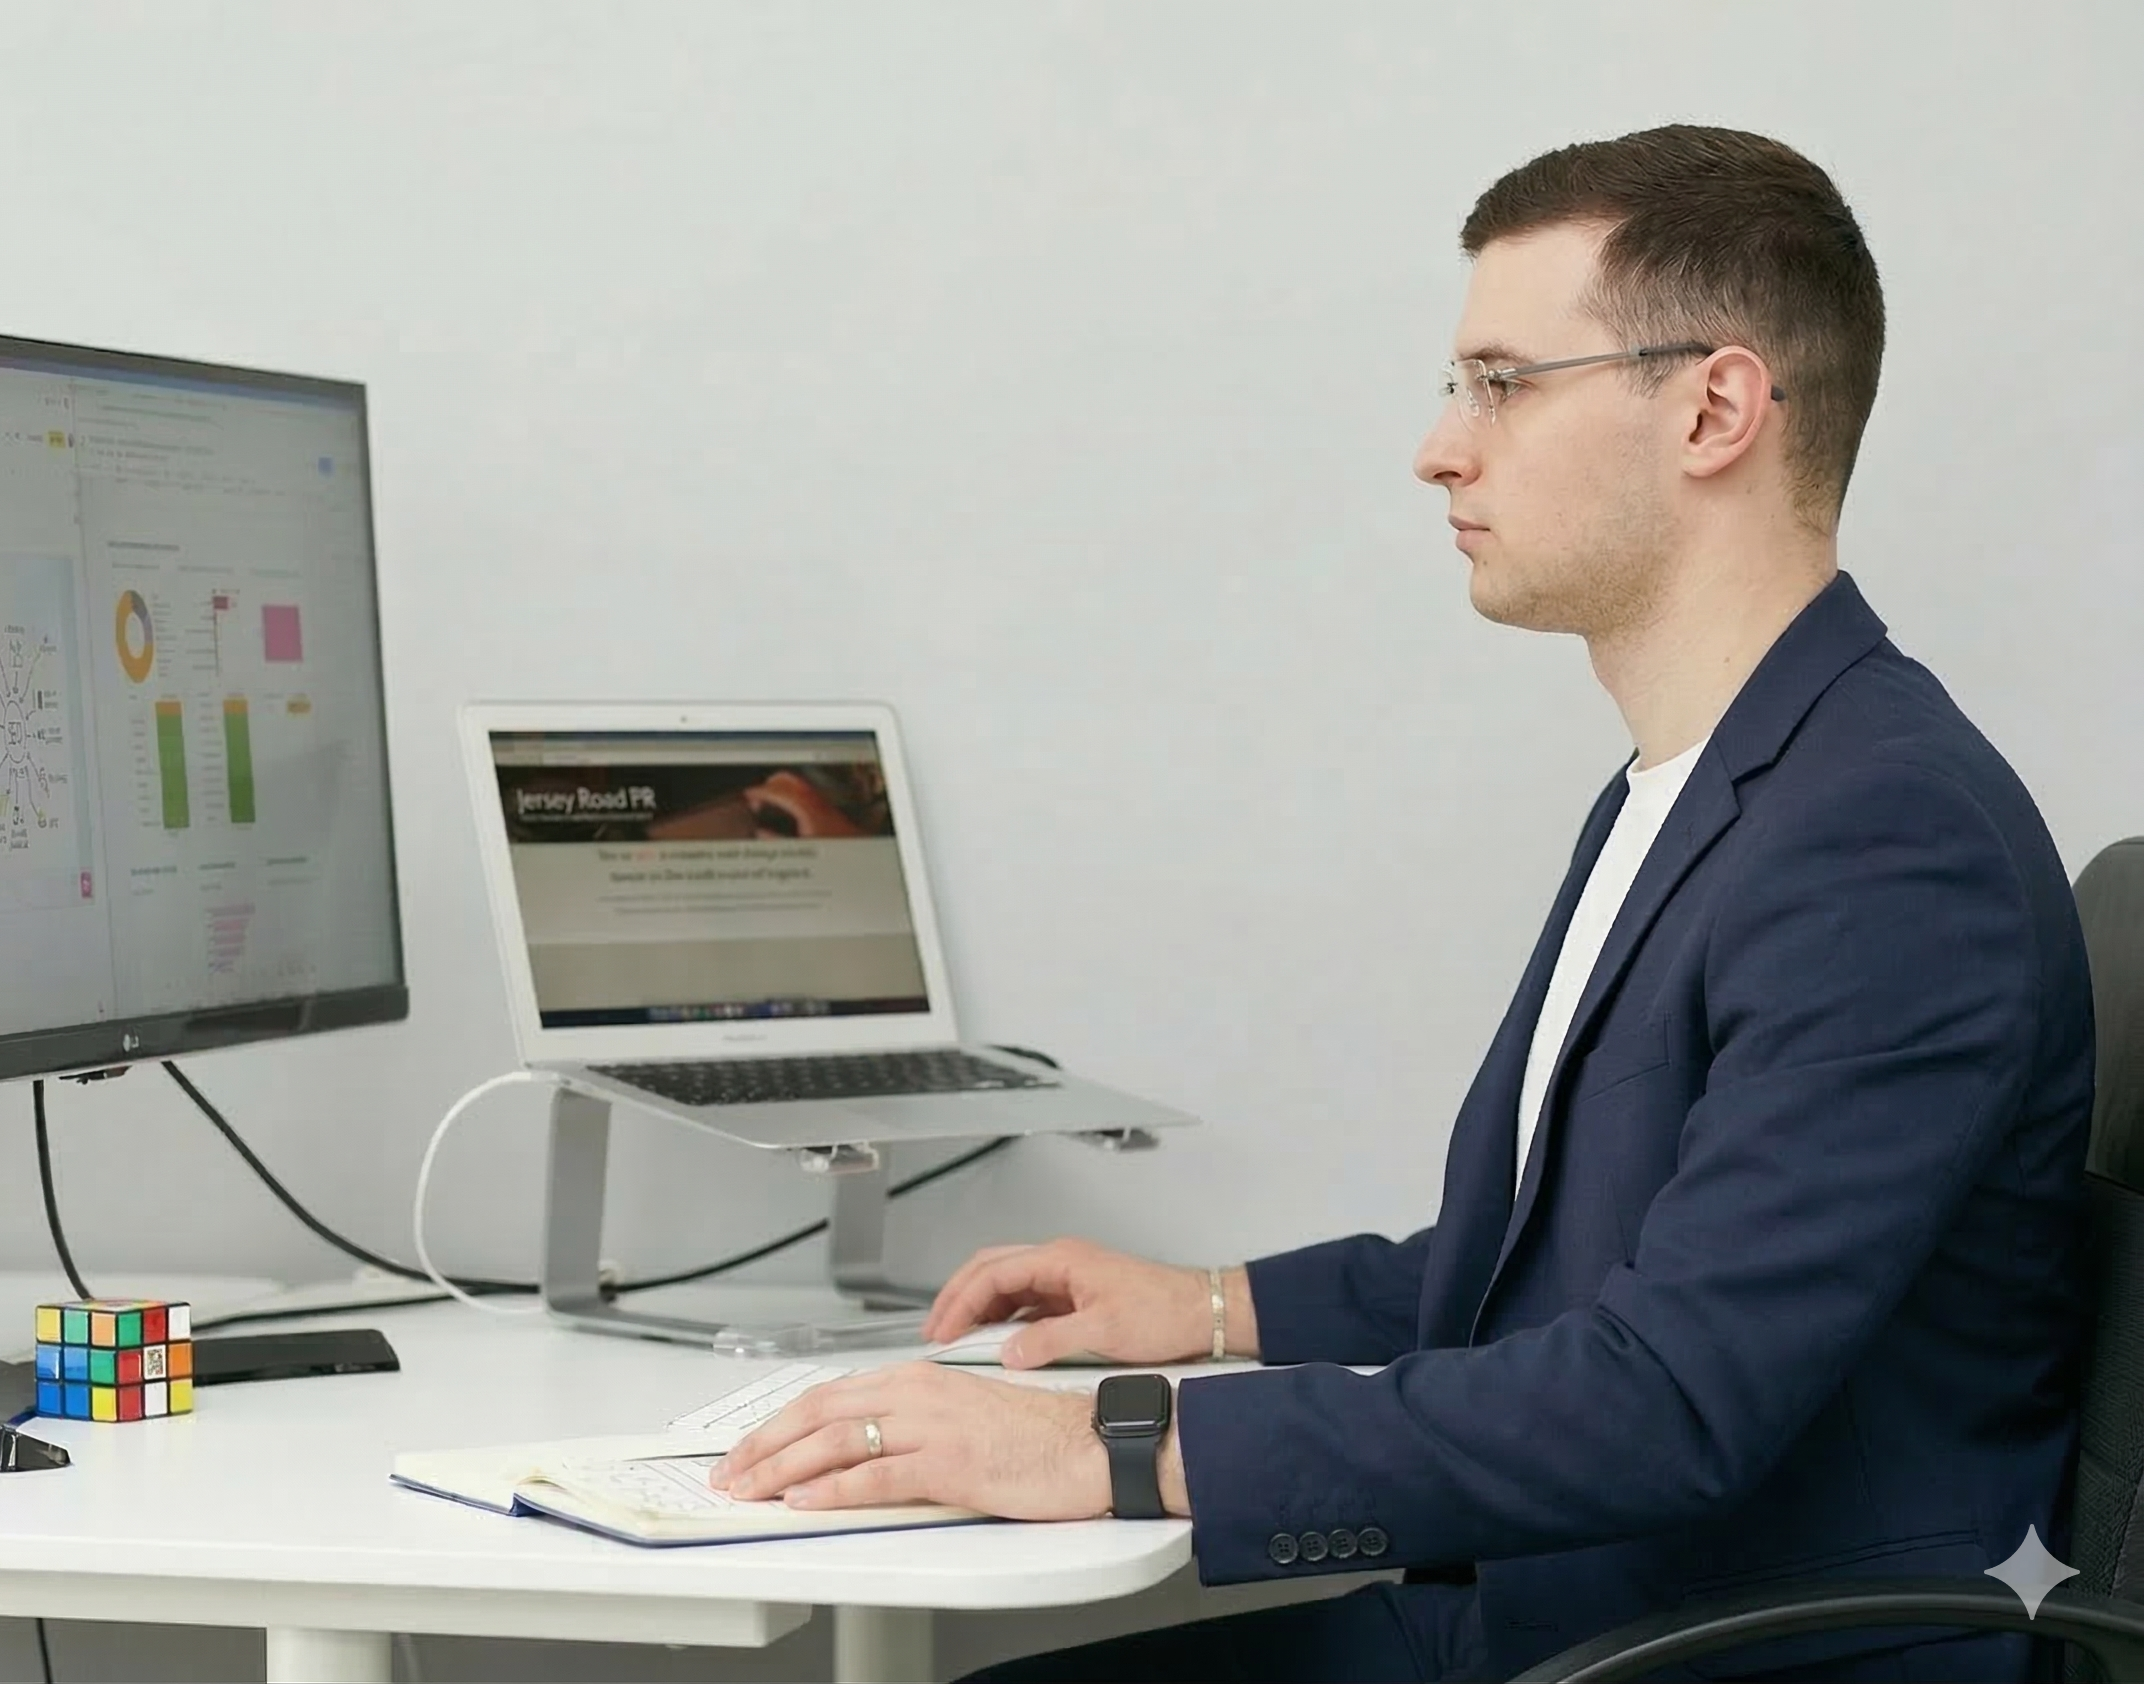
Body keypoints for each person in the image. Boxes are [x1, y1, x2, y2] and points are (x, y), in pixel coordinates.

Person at [709, 124, 2095, 1682]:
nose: (1441, 447)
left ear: (1715, 408)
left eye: (1502, 382)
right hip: (1552, 1615)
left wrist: (1099, 1444)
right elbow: (1587, 1254)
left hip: (1702, 1657)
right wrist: (1214, 1306)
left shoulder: (1887, 841)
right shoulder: (1713, 780)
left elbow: (1669, 1397)